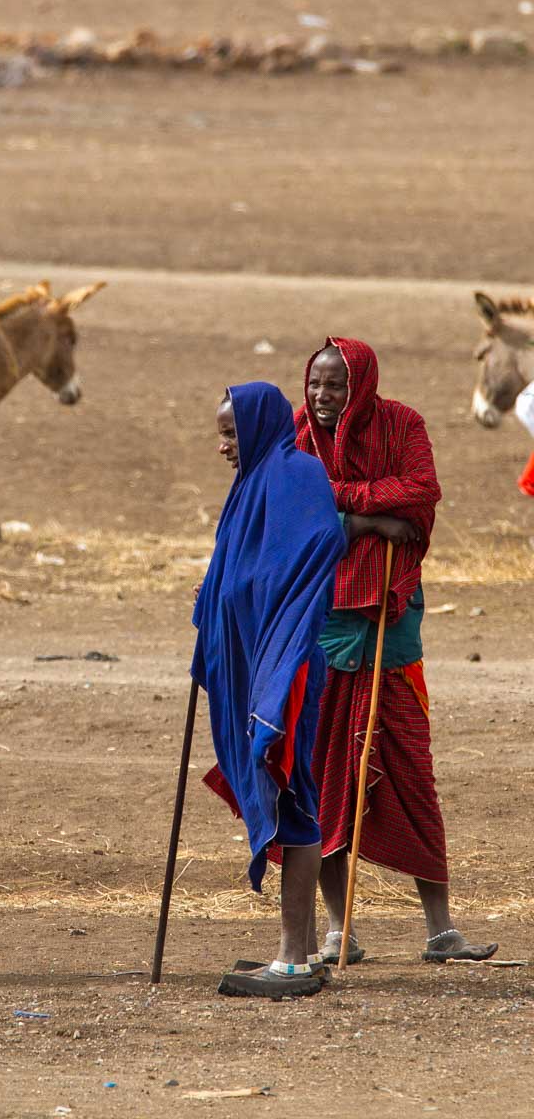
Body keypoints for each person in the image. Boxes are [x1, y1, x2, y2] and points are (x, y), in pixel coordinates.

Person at [295, 337, 496, 965]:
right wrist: (373, 518)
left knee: (411, 774)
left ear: (362, 384)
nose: (324, 398)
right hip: (325, 626)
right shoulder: (299, 433)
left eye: (337, 386)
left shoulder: (402, 424)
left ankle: (440, 931)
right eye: (317, 385)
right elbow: (297, 513)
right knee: (325, 783)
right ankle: (337, 931)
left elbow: (422, 490)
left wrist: (349, 508)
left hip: (392, 618)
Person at [192, 382, 347, 999]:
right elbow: (235, 572)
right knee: (289, 795)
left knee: (294, 796)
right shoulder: (250, 485)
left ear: (257, 425)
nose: (224, 446)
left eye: (231, 432)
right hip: (259, 663)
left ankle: (291, 960)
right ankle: (302, 950)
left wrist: (247, 595)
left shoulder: (297, 475)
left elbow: (317, 548)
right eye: (221, 433)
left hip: (288, 668)